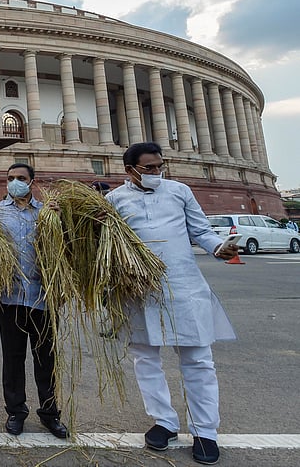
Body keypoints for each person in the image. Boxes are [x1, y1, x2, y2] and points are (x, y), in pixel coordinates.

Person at [106, 142, 238, 465]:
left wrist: (219, 248)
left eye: (159, 167)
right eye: (148, 168)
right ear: (130, 171)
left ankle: (205, 431)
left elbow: (201, 231)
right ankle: (164, 421)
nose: (155, 173)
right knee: (145, 359)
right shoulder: (113, 201)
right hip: (139, 291)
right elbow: (106, 244)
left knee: (198, 360)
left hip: (183, 287)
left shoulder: (179, 191)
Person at [0, 163, 69, 439]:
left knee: (46, 359)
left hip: (43, 297)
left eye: (20, 178)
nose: (15, 183)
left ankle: (50, 414)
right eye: (10, 178)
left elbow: (66, 247)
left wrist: (61, 222)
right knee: (13, 359)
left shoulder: (49, 212)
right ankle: (16, 412)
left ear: (32, 181)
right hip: (9, 297)